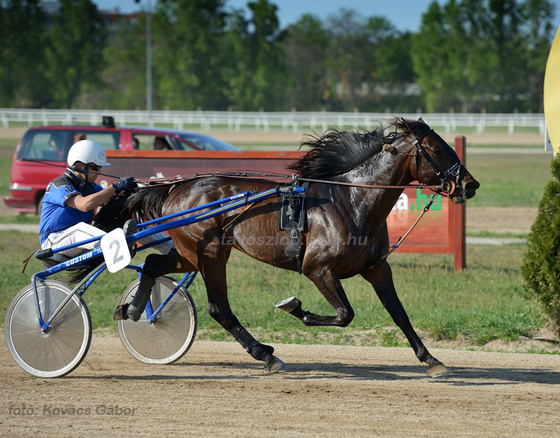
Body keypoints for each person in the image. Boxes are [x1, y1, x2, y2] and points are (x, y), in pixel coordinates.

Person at [39, 139, 136, 258]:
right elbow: (84, 205)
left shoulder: (91, 187)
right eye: (95, 167)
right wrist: (115, 187)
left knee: (132, 220)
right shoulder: (58, 185)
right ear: (80, 166)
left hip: (80, 242)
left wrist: (128, 190)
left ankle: (165, 247)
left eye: (100, 167)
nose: (100, 172)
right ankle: (120, 247)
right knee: (80, 228)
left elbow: (109, 199)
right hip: (53, 241)